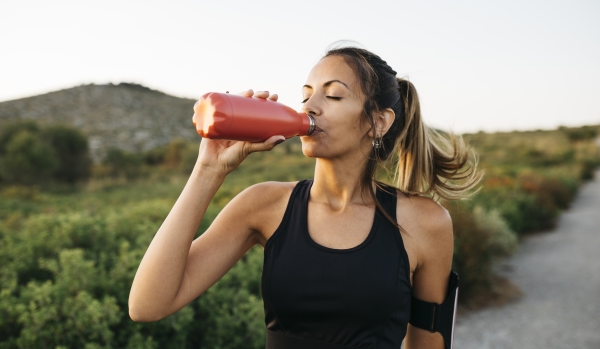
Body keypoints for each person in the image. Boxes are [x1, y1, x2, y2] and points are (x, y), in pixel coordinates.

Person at [129, 45, 481, 349]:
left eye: (333, 95)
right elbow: (147, 306)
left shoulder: (424, 222)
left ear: (378, 122)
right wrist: (208, 169)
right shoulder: (264, 205)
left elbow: (428, 344)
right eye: (306, 94)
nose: (309, 107)